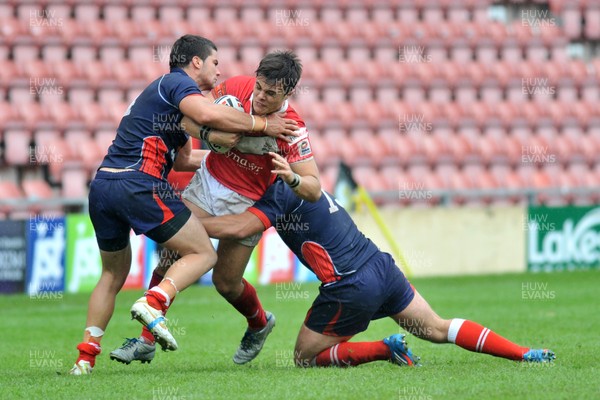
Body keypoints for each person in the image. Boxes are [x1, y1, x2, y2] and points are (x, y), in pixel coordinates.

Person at [69, 35, 299, 375]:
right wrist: (256, 127)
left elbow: (184, 158)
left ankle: (85, 359)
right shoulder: (185, 84)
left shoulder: (292, 124)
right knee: (196, 252)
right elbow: (203, 115)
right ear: (196, 63)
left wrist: (228, 147)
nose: (219, 72)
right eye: (214, 63)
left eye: (270, 93)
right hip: (149, 184)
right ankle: (151, 318)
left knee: (123, 274)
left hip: (107, 186)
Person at [195, 153, 556, 367]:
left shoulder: (277, 193)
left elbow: (239, 226)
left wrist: (181, 223)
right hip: (381, 267)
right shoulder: (307, 183)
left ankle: (385, 349)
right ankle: (523, 353)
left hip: (349, 284)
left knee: (305, 357)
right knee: (436, 328)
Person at [111, 50, 322, 366]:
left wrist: (291, 177)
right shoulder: (237, 88)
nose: (261, 97)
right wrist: (214, 135)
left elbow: (314, 188)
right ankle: (145, 341)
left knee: (226, 283)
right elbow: (188, 120)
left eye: (271, 94)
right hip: (208, 183)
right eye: (259, 87)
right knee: (172, 253)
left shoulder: (292, 128)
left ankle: (259, 323)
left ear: (288, 93)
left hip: (245, 202)